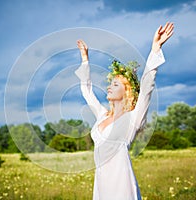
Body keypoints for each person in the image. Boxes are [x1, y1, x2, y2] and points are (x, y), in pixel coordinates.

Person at [75, 22, 174, 200]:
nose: (109, 87)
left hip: (121, 185)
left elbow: (146, 87)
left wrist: (155, 49)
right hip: (101, 184)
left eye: (115, 84)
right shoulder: (102, 115)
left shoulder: (133, 118)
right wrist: (85, 59)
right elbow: (86, 91)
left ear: (126, 91)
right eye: (110, 83)